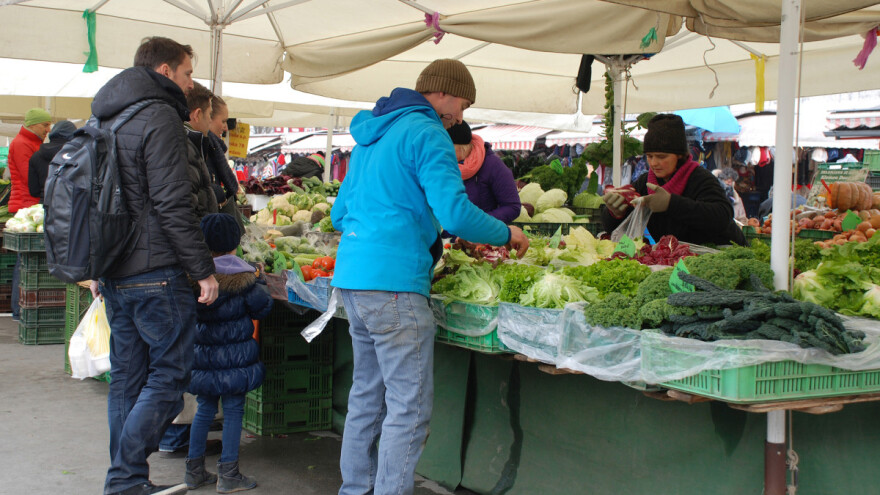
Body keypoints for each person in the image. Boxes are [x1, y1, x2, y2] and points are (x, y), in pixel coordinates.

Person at [330, 58, 529, 495]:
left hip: (353, 280)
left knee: (366, 396)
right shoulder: (428, 132)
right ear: (442, 92)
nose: (462, 114)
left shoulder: (370, 137)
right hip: (396, 286)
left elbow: (338, 213)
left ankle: (354, 490)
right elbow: (455, 213)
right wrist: (507, 231)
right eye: (462, 102)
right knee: (409, 407)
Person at [90, 36, 219, 495]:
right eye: (187, 74)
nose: (190, 84)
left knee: (128, 376)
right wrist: (203, 268)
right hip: (156, 272)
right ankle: (123, 475)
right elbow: (171, 203)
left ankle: (126, 482)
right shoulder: (160, 116)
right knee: (170, 375)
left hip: (115, 270)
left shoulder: (107, 115)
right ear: (165, 71)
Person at [184, 213, 272, 493]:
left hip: (203, 358)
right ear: (235, 244)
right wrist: (259, 281)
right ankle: (229, 474)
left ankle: (194, 471)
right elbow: (262, 308)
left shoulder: (195, 277)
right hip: (236, 361)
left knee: (204, 408)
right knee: (233, 410)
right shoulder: (244, 278)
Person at [156, 81, 219, 458]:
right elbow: (183, 211)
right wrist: (202, 268)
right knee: (177, 360)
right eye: (213, 117)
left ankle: (171, 435)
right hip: (179, 266)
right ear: (197, 115)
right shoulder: (182, 145)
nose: (216, 125)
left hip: (173, 263)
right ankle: (174, 435)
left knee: (169, 361)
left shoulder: (189, 144)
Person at [601, 114, 746, 246]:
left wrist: (671, 203)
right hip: (678, 258)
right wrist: (614, 213)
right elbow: (613, 229)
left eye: (661, 157)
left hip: (721, 254)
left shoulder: (700, 179)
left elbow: (722, 216)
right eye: (650, 156)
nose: (654, 163)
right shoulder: (645, 182)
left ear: (680, 155)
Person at [8, 107, 51, 320]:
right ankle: (19, 309)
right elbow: (29, 177)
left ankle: (21, 308)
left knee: (26, 261)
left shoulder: (32, 143)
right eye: (44, 125)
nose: (48, 129)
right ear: (33, 124)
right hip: (26, 206)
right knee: (24, 261)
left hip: (29, 204)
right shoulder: (22, 144)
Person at [447, 120, 521, 223]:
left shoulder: (492, 165)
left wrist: (479, 222)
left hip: (480, 235)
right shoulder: (442, 165)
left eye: (448, 147)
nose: (443, 152)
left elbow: (512, 207)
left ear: (462, 147)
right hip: (446, 235)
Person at [204, 95, 244, 232]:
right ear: (208, 118)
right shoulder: (205, 151)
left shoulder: (215, 149)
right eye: (223, 121)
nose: (226, 127)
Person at [28, 120, 76, 201]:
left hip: (46, 204)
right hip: (70, 205)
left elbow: (34, 191)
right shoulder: (77, 154)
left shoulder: (36, 156)